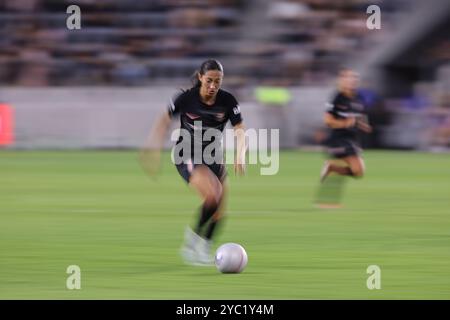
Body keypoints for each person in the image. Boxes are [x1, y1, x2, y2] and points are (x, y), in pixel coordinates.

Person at [140, 59, 246, 266]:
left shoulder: (228, 101)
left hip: (213, 156)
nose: (213, 86)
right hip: (187, 154)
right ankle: (191, 242)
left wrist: (240, 153)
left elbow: (239, 128)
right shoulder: (186, 99)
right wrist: (154, 148)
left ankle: (204, 249)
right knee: (212, 195)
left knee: (219, 211)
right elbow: (164, 119)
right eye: (209, 81)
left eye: (218, 81)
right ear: (200, 77)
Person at [318, 69, 372, 207]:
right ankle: (327, 202)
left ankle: (331, 170)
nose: (352, 81)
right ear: (342, 81)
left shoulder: (357, 98)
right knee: (356, 168)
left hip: (352, 138)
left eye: (354, 78)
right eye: (348, 78)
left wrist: (363, 125)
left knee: (358, 172)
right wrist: (344, 123)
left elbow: (359, 116)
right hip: (339, 138)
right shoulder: (337, 98)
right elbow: (328, 121)